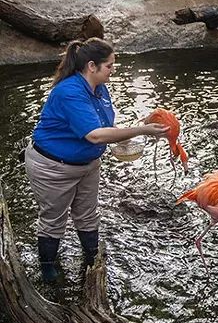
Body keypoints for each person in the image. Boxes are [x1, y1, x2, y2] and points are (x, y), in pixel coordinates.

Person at [24, 37, 169, 282]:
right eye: (110, 66)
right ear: (92, 66)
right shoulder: (69, 92)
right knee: (53, 219)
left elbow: (103, 125)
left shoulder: (99, 88)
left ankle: (92, 259)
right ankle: (48, 268)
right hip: (53, 167)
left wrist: (122, 137)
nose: (113, 70)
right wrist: (141, 130)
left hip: (88, 164)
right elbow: (93, 135)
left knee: (88, 214)